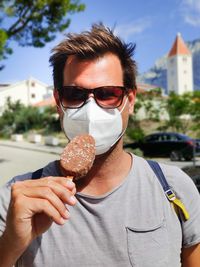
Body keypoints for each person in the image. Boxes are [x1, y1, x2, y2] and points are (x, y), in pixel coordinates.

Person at [0, 23, 200, 267]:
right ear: (57, 101)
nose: (91, 109)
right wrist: (10, 242)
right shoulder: (15, 198)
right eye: (74, 94)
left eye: (107, 93)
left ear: (130, 100)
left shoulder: (174, 187)